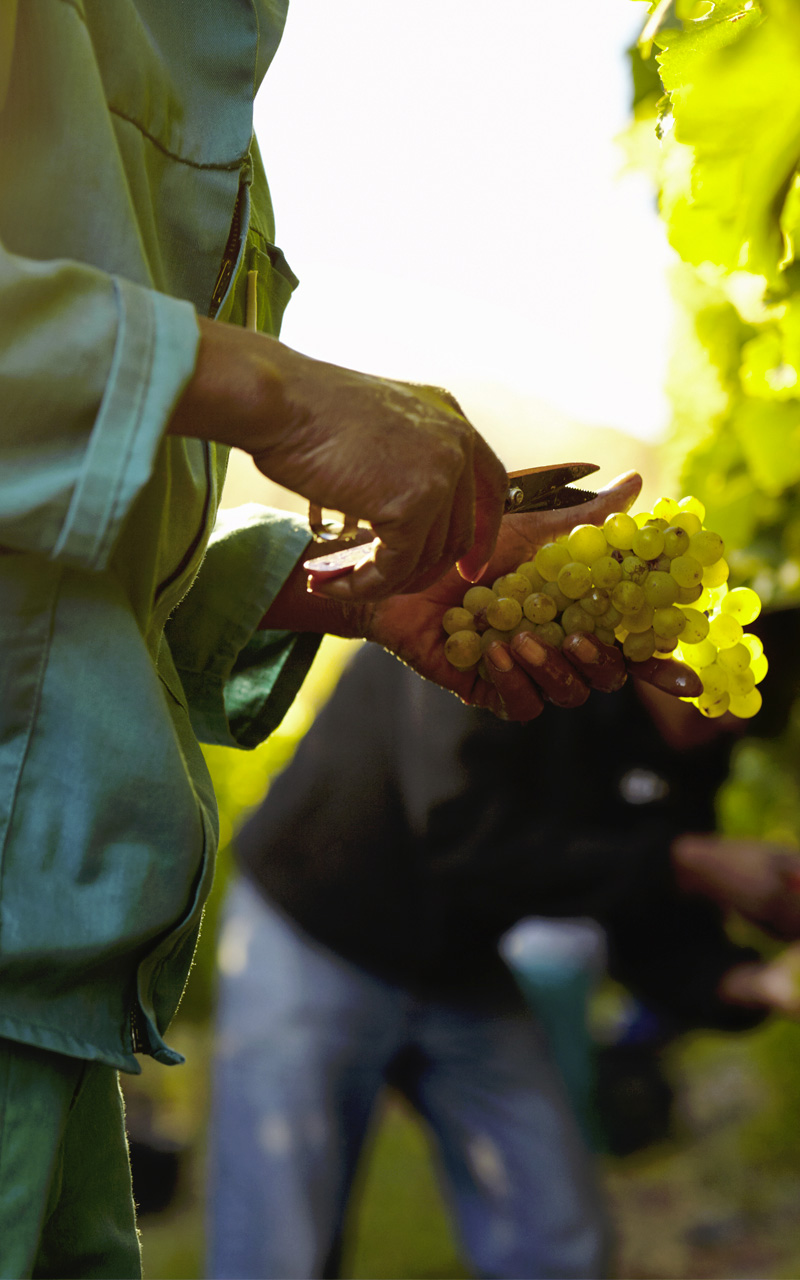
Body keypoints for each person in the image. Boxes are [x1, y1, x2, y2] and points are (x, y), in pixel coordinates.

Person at [0, 4, 705, 1276]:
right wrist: (271, 388)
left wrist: (345, 593)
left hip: (51, 978)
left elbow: (69, 582)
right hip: (274, 931)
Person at [206, 613, 800, 1280]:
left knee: (559, 1239)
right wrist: (686, 861)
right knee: (278, 1242)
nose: (725, 728)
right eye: (720, 708)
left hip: (463, 965)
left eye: (747, 718)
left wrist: (762, 983)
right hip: (316, 927)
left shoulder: (693, 738)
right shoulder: (520, 629)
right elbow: (462, 838)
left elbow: (647, 922)